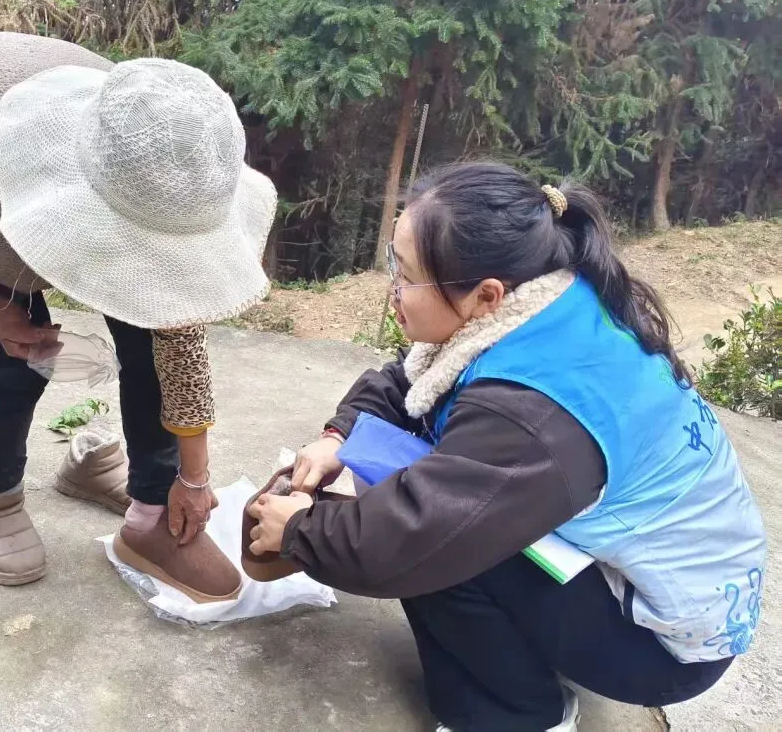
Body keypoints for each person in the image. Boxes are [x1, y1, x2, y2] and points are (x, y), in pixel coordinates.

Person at [246, 162, 766, 731]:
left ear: (485, 295)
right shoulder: (543, 302)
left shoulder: (531, 415)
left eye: (406, 275)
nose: (392, 290)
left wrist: (299, 531)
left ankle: (516, 715)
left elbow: (418, 535)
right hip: (656, 590)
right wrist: (338, 438)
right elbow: (416, 380)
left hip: (659, 647)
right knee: (420, 480)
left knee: (442, 552)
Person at [0, 32, 276, 602]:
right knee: (17, 363)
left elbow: (178, 339)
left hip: (87, 183)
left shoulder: (163, 151)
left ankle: (150, 515)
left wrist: (192, 478)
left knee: (153, 343)